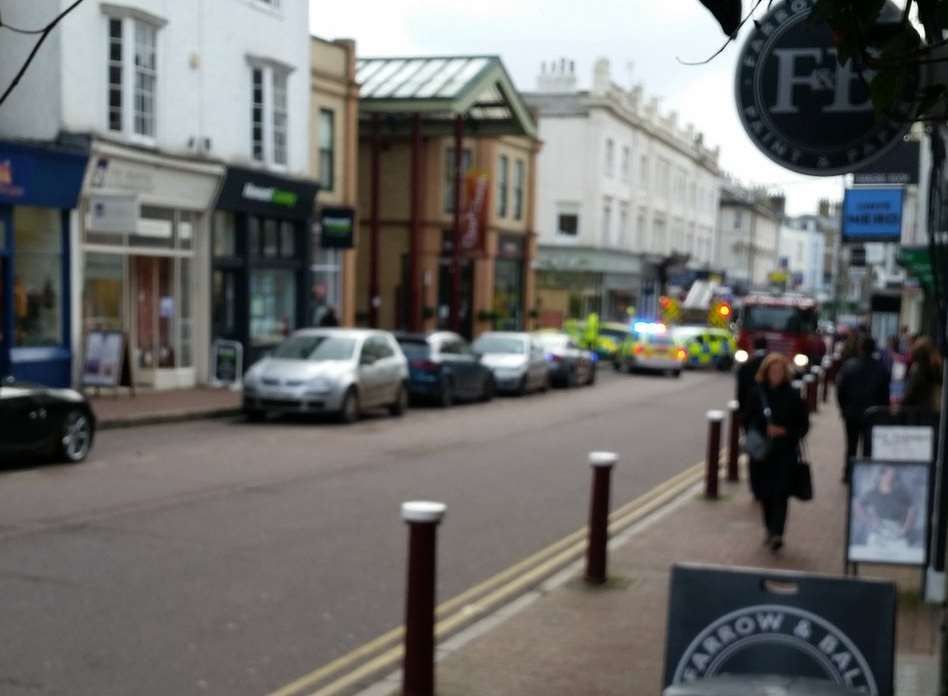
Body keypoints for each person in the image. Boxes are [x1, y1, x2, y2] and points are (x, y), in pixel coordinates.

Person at [744, 353, 810, 553]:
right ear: (765, 372)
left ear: (785, 374)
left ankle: (777, 533)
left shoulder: (793, 395)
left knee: (781, 493)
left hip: (785, 452)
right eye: (773, 371)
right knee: (765, 494)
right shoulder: (756, 394)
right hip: (763, 453)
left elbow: (804, 425)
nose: (776, 374)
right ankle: (768, 528)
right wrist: (764, 430)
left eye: (780, 371)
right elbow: (747, 420)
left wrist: (786, 431)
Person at [836, 336, 891, 483]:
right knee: (868, 447)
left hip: (852, 413)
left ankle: (849, 473)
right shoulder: (881, 368)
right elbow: (885, 395)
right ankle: (867, 475)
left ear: (861, 348)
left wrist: (844, 409)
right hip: (872, 415)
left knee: (851, 446)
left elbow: (840, 390)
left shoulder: (849, 366)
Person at [736, 337, 768, 499]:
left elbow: (739, 394)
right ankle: (766, 484)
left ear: (754, 346)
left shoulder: (746, 367)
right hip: (769, 420)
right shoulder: (773, 366)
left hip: (750, 417)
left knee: (753, 451)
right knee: (768, 452)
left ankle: (755, 487)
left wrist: (742, 414)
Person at [902, 337, 942, 414]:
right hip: (933, 411)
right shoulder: (936, 367)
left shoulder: (920, 371)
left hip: (919, 414)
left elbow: (909, 395)